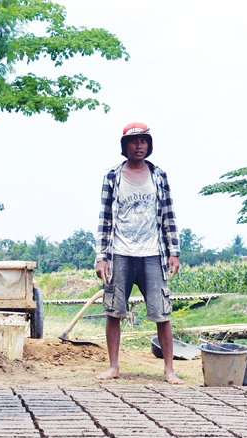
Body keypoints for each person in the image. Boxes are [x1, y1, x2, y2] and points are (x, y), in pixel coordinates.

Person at [94, 122, 183, 384]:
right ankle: (113, 367)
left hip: (153, 254)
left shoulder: (159, 176)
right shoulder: (113, 176)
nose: (139, 146)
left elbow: (168, 214)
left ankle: (169, 370)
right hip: (120, 252)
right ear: (125, 146)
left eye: (143, 141)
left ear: (149, 145)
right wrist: (101, 256)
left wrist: (173, 252)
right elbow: (105, 219)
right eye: (134, 142)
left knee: (162, 312)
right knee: (114, 311)